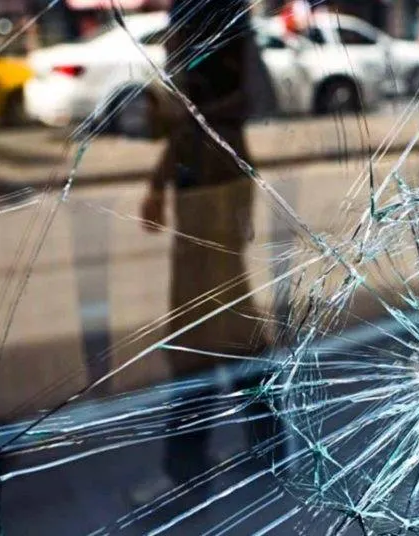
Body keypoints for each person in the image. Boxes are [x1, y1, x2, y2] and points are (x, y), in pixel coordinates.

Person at [132, 0, 277, 505]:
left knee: (206, 329)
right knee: (221, 326)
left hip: (218, 180)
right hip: (203, 179)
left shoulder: (221, 19)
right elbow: (185, 121)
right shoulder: (190, 18)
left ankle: (191, 467)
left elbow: (247, 100)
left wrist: (186, 111)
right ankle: (266, 447)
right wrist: (158, 182)